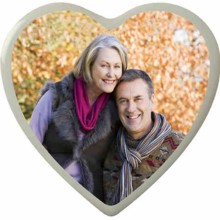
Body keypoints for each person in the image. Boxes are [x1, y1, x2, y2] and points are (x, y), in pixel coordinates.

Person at [29, 34, 128, 202]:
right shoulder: (56, 95)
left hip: (92, 199)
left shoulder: (116, 107)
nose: (112, 73)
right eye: (104, 65)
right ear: (89, 65)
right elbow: (30, 143)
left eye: (117, 67)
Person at [103, 69, 185, 205]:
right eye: (123, 101)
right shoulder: (108, 148)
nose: (130, 108)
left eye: (138, 99)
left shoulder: (180, 147)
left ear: (152, 100)